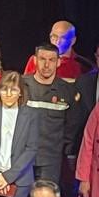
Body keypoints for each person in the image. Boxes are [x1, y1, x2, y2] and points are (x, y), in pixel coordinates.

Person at [23, 42, 83, 187]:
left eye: (51, 60)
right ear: (35, 60)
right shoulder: (21, 85)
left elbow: (72, 126)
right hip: (21, 157)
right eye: (42, 59)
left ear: (58, 62)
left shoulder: (67, 91)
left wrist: (69, 152)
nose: (46, 65)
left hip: (51, 160)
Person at [21, 20, 91, 79]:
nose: (57, 42)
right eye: (54, 37)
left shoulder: (83, 66)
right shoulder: (36, 60)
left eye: (63, 38)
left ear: (73, 40)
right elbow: (25, 87)